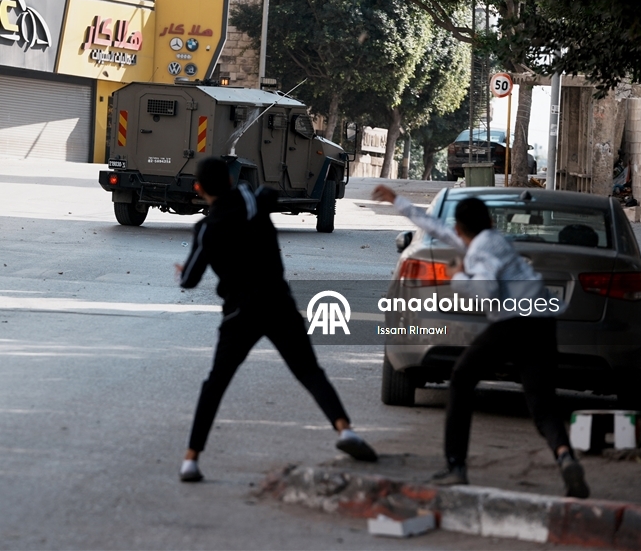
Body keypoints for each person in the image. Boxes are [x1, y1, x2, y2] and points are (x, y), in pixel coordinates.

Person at [371, 184, 589, 498]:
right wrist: (399, 202)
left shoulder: (480, 250)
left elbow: (485, 290)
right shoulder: (493, 240)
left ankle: (456, 466)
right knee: (542, 402)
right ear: (489, 221)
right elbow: (435, 228)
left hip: (514, 323)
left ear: (461, 228)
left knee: (460, 379)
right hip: (542, 324)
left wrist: (458, 276)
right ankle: (565, 457)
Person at [176, 158, 377, 482]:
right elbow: (270, 195)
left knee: (216, 384)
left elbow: (189, 280)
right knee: (309, 371)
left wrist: (181, 272)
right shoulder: (252, 200)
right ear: (230, 181)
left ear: (198, 189)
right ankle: (345, 430)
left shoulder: (207, 229)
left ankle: (191, 460)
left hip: (240, 314)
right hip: (278, 304)